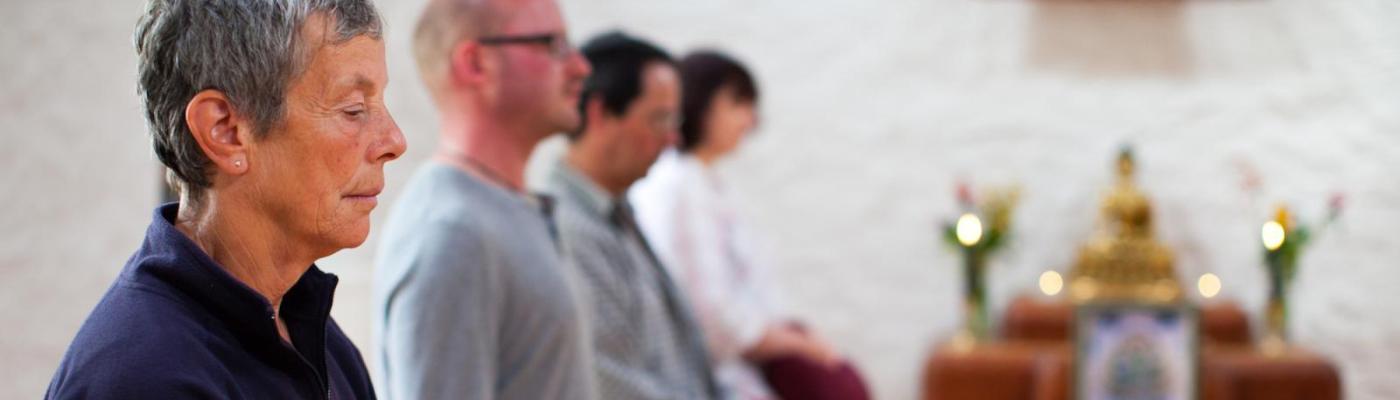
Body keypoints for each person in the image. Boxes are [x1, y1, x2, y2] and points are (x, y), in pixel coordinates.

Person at [46, 0, 402, 398]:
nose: (394, 141)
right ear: (225, 130)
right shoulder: (147, 380)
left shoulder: (310, 329)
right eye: (353, 110)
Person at [372, 0, 596, 398]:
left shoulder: (497, 210)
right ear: (475, 64)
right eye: (553, 44)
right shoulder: (452, 233)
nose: (581, 67)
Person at [630, 51, 868, 400]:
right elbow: (711, 316)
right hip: (713, 378)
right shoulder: (681, 187)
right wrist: (795, 344)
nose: (750, 120)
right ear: (700, 102)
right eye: (738, 104)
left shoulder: (706, 183)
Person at [542, 31, 719, 399]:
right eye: (660, 120)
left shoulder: (617, 212)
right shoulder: (567, 229)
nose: (673, 140)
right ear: (599, 112)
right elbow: (613, 384)